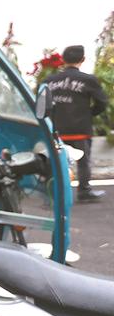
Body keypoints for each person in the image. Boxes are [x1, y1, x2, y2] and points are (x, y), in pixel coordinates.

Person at [42, 44, 109, 202]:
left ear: (63, 60)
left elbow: (41, 103)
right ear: (83, 59)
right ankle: (84, 192)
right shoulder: (88, 80)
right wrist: (89, 113)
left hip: (56, 128)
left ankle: (52, 195)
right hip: (80, 128)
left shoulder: (49, 81)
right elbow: (102, 102)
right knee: (83, 161)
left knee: (55, 161)